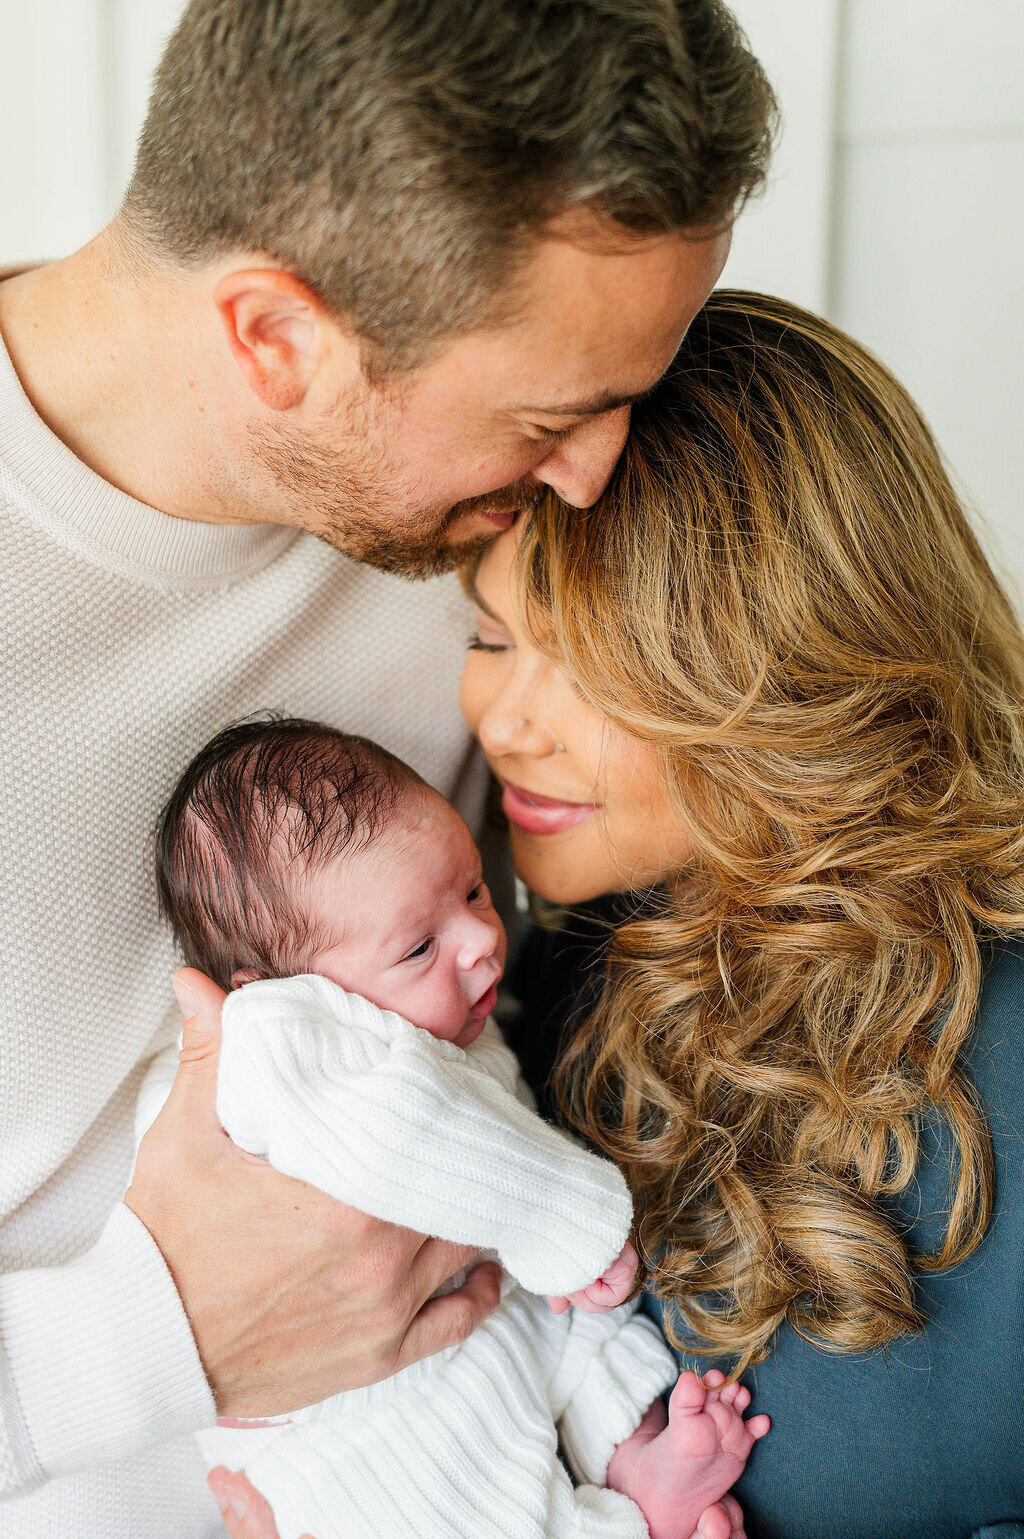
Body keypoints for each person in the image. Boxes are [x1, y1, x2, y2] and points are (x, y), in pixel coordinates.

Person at [0, 2, 775, 1533]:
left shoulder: (471, 531)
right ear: (276, 337)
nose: (594, 476)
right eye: (554, 417)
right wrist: (147, 1338)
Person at [460, 291, 1024, 1539]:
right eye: (490, 637)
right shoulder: (563, 968)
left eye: (596, 667)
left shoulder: (999, 1031)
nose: (505, 721)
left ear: (785, 669)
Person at [137, 714, 767, 1539]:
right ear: (275, 986)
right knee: (458, 1495)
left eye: (472, 889)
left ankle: (634, 1462)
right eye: (417, 947)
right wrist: (563, 1219)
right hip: (346, 1409)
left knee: (586, 1335)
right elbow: (402, 1130)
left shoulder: (440, 1017)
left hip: (473, 1308)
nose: (478, 938)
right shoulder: (268, 1042)